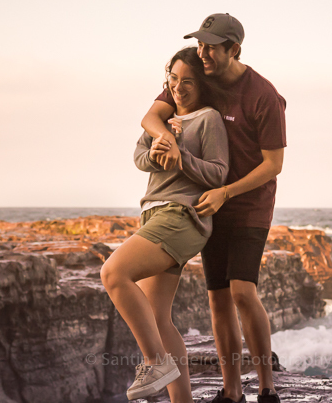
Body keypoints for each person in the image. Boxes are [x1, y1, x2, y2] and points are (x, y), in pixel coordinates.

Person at [141, 13, 286, 403]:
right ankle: (232, 390)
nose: (203, 52)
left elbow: (273, 164)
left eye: (211, 47)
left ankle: (267, 386)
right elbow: (152, 115)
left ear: (234, 50)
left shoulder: (263, 94)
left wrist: (227, 192)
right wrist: (165, 140)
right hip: (206, 204)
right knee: (217, 297)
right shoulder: (197, 80)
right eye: (200, 44)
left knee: (242, 291)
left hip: (249, 206)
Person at [101, 46, 229, 403]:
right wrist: (161, 146)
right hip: (153, 213)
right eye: (173, 79)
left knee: (113, 274)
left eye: (188, 81)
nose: (179, 87)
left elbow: (219, 173)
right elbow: (140, 157)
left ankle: (155, 361)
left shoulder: (208, 119)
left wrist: (180, 157)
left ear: (202, 85)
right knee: (158, 316)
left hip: (181, 216)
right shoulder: (163, 119)